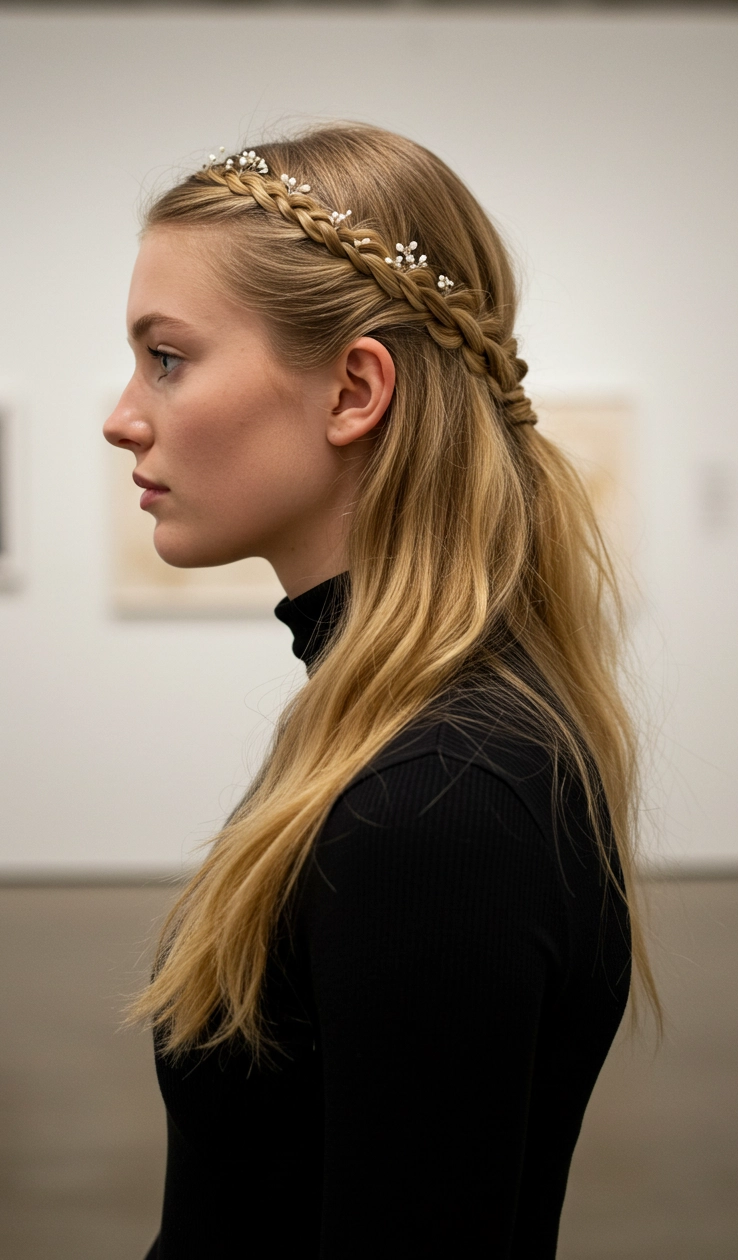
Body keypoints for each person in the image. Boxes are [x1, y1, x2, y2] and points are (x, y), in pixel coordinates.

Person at [104, 124, 653, 1259]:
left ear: (355, 389)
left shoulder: (440, 800)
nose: (124, 415)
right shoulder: (388, 735)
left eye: (167, 356)